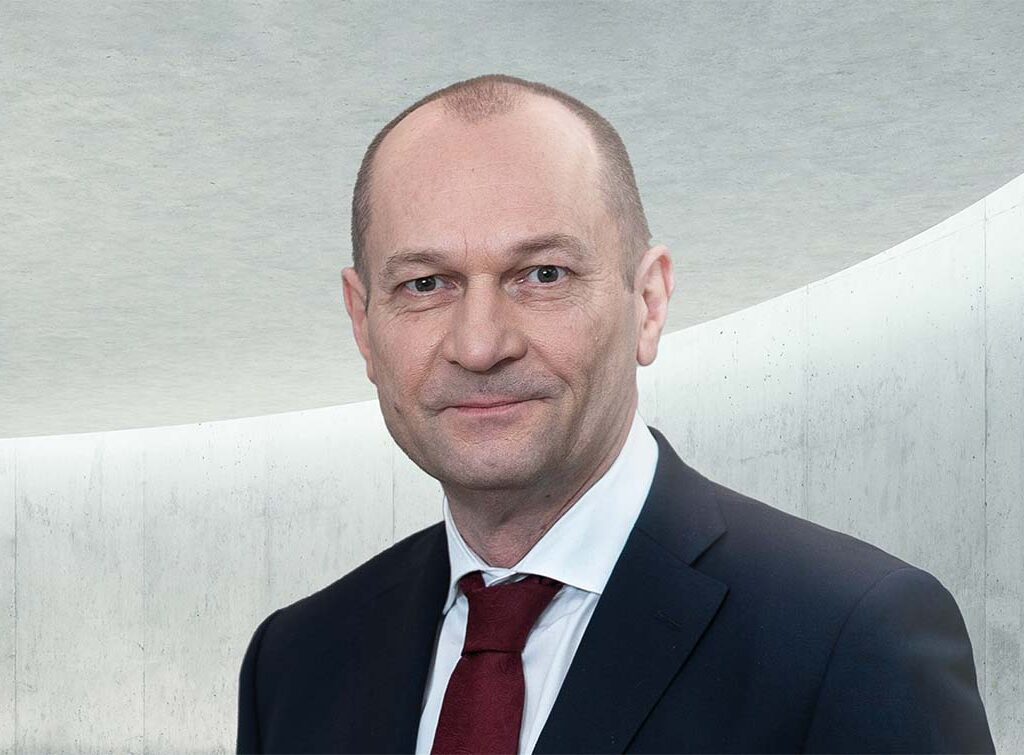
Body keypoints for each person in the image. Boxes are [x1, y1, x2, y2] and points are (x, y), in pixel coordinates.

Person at [236, 74, 994, 754]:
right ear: (363, 324)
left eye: (542, 274)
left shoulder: (852, 640)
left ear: (649, 303)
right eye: (426, 284)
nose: (480, 345)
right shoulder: (295, 662)